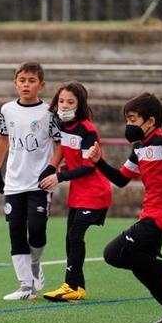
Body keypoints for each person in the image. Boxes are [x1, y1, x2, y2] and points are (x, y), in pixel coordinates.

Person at [88, 93, 162, 323]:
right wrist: (98, 162)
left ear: (150, 121)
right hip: (150, 213)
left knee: (113, 253)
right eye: (126, 120)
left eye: (132, 119)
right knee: (141, 268)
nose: (128, 125)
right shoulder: (139, 147)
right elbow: (121, 179)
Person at [0, 61, 62, 301]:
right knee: (15, 233)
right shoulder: (7, 110)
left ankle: (35, 263)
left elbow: (60, 143)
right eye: (22, 81)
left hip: (39, 183)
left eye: (31, 81)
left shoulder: (49, 113)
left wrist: (52, 168)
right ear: (15, 83)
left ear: (41, 85)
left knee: (37, 230)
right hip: (14, 181)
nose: (26, 85)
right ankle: (26, 287)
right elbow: (3, 138)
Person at [38, 82, 112, 302]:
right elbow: (63, 149)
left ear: (80, 104)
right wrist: (52, 167)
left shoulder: (87, 130)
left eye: (70, 102)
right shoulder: (63, 125)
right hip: (79, 193)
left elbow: (88, 167)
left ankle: (71, 286)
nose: (64, 105)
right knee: (70, 239)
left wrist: (58, 177)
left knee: (75, 236)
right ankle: (77, 287)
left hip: (95, 193)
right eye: (61, 101)